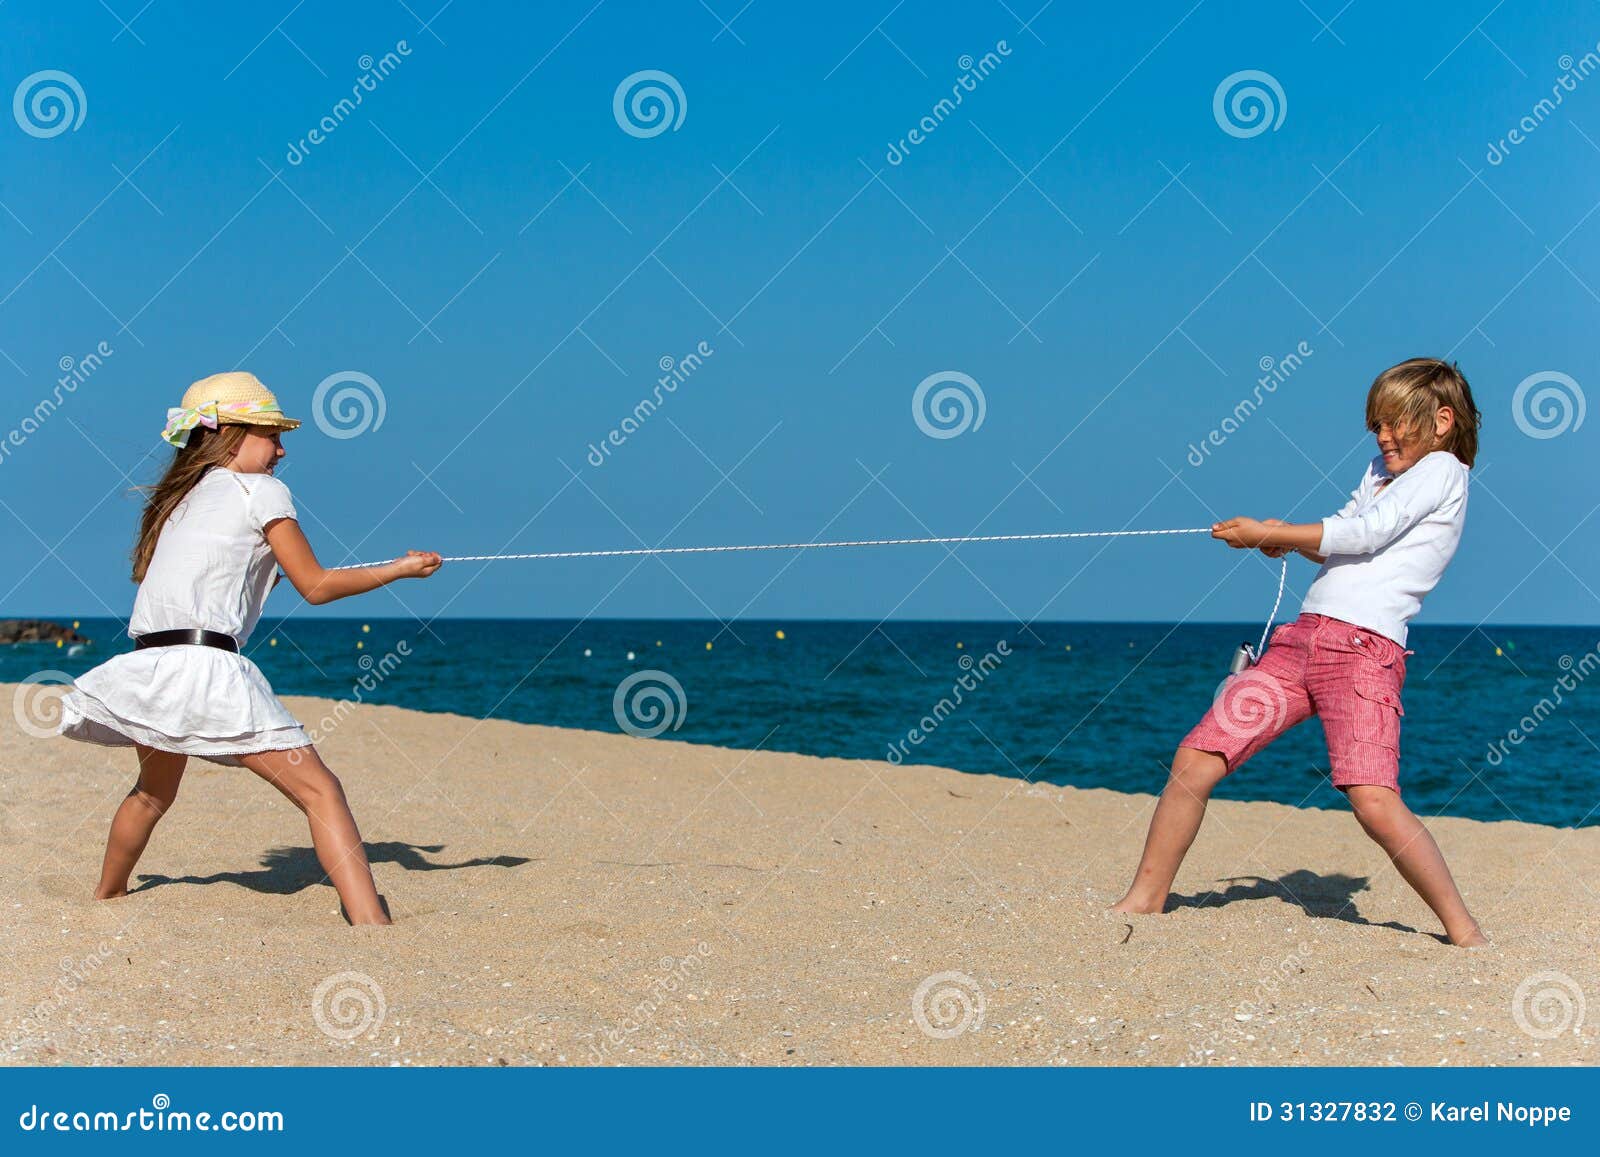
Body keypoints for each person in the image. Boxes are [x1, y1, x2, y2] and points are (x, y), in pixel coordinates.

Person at [1111, 357, 1489, 947]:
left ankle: (1464, 932)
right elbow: (1342, 533)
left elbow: (1367, 534)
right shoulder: (1379, 472)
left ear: (1441, 422)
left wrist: (1273, 533)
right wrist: (1277, 540)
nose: (1382, 436)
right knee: (1196, 758)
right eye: (1376, 426)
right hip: (1300, 642)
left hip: (1363, 653)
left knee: (1372, 800)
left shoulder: (1444, 470)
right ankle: (1144, 900)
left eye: (1394, 424)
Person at [58, 371, 442, 925]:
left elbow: (224, 573)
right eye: (272, 434)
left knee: (151, 794)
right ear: (232, 434)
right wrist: (402, 570)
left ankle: (107, 897)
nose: (282, 449)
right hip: (205, 667)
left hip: (150, 666)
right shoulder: (261, 490)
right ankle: (371, 923)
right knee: (321, 791)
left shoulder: (181, 500)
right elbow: (316, 586)